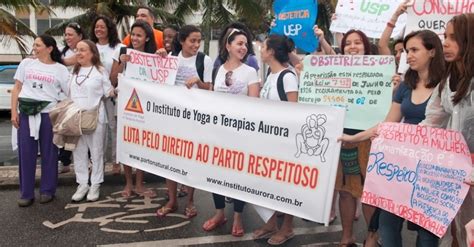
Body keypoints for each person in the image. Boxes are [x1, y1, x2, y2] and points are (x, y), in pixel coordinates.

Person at [341, 30, 445, 247]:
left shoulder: (447, 85)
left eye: (415, 50)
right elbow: (388, 124)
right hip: (401, 166)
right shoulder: (405, 85)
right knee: (388, 225)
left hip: (433, 169)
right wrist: (355, 137)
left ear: (433, 51)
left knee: (426, 235)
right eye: (407, 51)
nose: (409, 55)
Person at [421, 13, 474, 247]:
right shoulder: (448, 80)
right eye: (445, 36)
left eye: (454, 37)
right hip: (457, 174)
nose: (446, 43)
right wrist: (395, 139)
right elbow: (432, 121)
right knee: (461, 233)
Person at [202, 28, 260, 237]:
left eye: (245, 44)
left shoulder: (250, 72)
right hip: (219, 132)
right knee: (216, 174)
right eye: (239, 43)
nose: (243, 47)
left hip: (240, 134)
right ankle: (219, 214)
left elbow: (254, 105)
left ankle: (237, 215)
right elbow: (211, 100)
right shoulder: (217, 70)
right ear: (228, 46)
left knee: (238, 176)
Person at [156, 25, 213, 219]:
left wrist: (198, 82)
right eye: (192, 41)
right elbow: (157, 82)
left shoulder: (204, 60)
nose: (196, 45)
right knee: (169, 162)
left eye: (198, 41)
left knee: (190, 162)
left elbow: (210, 90)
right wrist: (158, 59)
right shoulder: (171, 59)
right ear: (182, 41)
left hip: (194, 120)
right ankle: (172, 200)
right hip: (171, 118)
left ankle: (189, 201)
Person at [333, 29, 379, 247]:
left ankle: (372, 236)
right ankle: (347, 234)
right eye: (348, 43)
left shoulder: (380, 72)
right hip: (342, 137)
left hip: (369, 141)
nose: (352, 47)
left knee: (368, 193)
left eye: (357, 43)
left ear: (366, 47)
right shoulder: (336, 72)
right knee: (344, 191)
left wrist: (393, 82)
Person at [11, 35, 69, 206]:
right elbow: (17, 88)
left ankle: (47, 189)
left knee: (49, 153)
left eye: (38, 45)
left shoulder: (60, 69)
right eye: (34, 45)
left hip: (48, 114)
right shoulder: (26, 64)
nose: (34, 48)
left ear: (49, 48)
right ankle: (26, 193)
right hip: (27, 113)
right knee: (26, 154)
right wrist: (14, 111)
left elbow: (68, 93)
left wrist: (61, 113)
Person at [252, 34, 298, 246]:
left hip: (283, 143)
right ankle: (271, 223)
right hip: (267, 141)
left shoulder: (287, 77)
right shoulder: (271, 75)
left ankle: (287, 227)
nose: (260, 49)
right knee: (268, 185)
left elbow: (294, 111)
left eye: (263, 47)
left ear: (271, 51)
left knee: (285, 188)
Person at [110, 21, 157, 198]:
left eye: (139, 35)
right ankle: (128, 184)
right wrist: (122, 63)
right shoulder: (123, 52)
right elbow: (113, 79)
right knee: (126, 146)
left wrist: (161, 56)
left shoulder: (152, 56)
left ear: (147, 38)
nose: (135, 38)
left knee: (142, 148)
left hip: (145, 110)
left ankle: (139, 184)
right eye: (133, 34)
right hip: (126, 108)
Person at [69, 40, 115, 202]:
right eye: (77, 50)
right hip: (76, 118)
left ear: (92, 53)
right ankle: (82, 184)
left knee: (96, 153)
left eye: (82, 50)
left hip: (95, 118)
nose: (79, 53)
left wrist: (117, 89)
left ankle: (95, 184)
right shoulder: (74, 71)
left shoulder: (100, 71)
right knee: (78, 152)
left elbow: (108, 90)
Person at [90, 15, 123, 176]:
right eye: (96, 27)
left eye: (102, 26)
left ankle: (116, 161)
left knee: (114, 127)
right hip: (94, 95)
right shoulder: (91, 47)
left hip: (112, 94)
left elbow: (121, 70)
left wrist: (111, 87)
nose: (99, 30)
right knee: (97, 129)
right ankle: (98, 162)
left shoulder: (118, 47)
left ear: (109, 29)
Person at [58, 22, 87, 174]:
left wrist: (54, 58)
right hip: (64, 99)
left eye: (71, 34)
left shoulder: (84, 52)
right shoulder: (61, 52)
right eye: (66, 34)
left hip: (81, 99)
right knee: (66, 131)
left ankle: (87, 163)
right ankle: (65, 161)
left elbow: (70, 61)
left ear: (80, 36)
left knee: (82, 132)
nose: (67, 37)